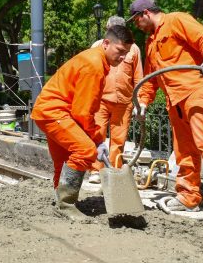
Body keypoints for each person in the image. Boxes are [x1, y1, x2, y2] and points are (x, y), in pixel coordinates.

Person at [130, 0, 203, 223]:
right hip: (175, 100)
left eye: (136, 20)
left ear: (146, 14)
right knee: (184, 149)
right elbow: (151, 78)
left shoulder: (177, 20)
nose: (136, 25)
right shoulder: (151, 42)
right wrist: (143, 101)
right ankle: (189, 196)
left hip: (195, 91)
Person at [31, 25, 134, 220]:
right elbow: (83, 112)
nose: (122, 57)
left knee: (64, 159)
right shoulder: (94, 66)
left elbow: (82, 109)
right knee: (85, 150)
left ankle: (60, 201)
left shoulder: (94, 59)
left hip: (49, 111)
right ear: (106, 43)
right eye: (120, 51)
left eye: (126, 53)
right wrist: (97, 140)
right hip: (56, 112)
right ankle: (66, 205)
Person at [87, 16, 143, 184]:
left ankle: (114, 172)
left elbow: (138, 76)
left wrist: (138, 102)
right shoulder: (98, 46)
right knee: (98, 136)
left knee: (118, 140)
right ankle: (96, 171)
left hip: (124, 101)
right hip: (101, 100)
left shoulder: (133, 49)